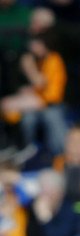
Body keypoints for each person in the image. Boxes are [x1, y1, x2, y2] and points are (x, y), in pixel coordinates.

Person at [0, 29, 67, 160]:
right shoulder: (39, 60)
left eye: (35, 43)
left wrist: (28, 67)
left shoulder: (53, 59)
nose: (31, 47)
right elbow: (38, 86)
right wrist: (28, 90)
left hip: (50, 101)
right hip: (40, 98)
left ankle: (26, 146)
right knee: (9, 106)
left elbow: (42, 83)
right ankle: (15, 145)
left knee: (7, 104)